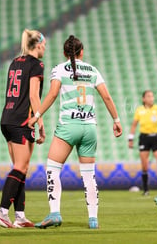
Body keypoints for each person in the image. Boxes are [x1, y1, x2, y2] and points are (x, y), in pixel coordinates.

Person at [28, 35, 122, 229]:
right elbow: (106, 96)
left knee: (52, 169)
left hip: (68, 126)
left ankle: (55, 212)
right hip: (89, 127)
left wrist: (37, 115)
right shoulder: (93, 70)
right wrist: (116, 120)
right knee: (89, 175)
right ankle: (93, 220)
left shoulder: (59, 69)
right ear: (82, 52)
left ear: (64, 53)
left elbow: (52, 94)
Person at [0, 29, 47, 228]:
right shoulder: (37, 65)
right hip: (21, 121)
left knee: (21, 169)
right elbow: (34, 96)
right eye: (45, 45)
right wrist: (40, 123)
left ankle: (20, 216)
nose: (45, 49)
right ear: (39, 44)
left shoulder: (15, 62)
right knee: (20, 167)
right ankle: (2, 212)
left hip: (7, 118)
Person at [128, 90, 157, 195]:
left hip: (156, 137)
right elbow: (134, 125)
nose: (151, 98)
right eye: (149, 96)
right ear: (143, 99)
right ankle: (146, 190)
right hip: (144, 138)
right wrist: (130, 139)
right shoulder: (139, 110)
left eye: (152, 96)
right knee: (144, 166)